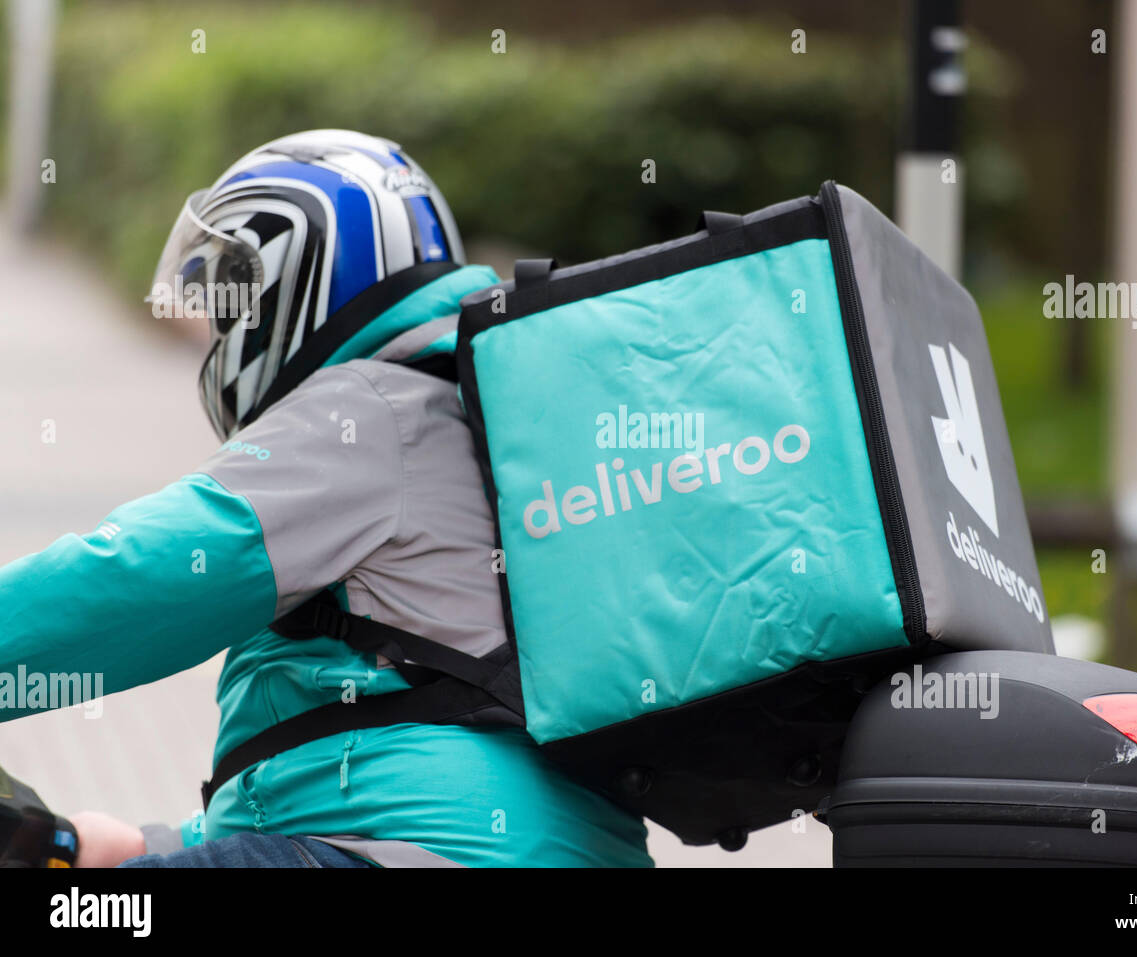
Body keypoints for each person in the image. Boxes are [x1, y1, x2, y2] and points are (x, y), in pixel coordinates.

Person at [0, 130, 652, 867]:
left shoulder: (368, 411)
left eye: (235, 305)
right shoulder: (468, 418)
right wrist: (127, 845)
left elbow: (141, 575)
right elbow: (363, 744)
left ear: (295, 285)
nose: (223, 333)